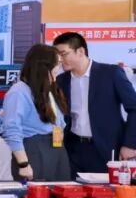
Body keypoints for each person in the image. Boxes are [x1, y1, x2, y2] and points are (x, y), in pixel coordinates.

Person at [51, 31, 136, 175]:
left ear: (80, 51)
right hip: (73, 149)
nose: (59, 60)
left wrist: (130, 144)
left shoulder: (111, 73)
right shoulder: (61, 81)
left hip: (106, 149)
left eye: (63, 54)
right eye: (57, 56)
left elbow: (134, 108)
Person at [1, 44, 70, 181]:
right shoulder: (19, 91)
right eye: (57, 63)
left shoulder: (49, 89)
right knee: (37, 192)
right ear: (43, 66)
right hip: (35, 150)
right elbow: (12, 129)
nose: (60, 67)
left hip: (56, 148)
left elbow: (58, 122)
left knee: (60, 192)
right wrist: (23, 164)